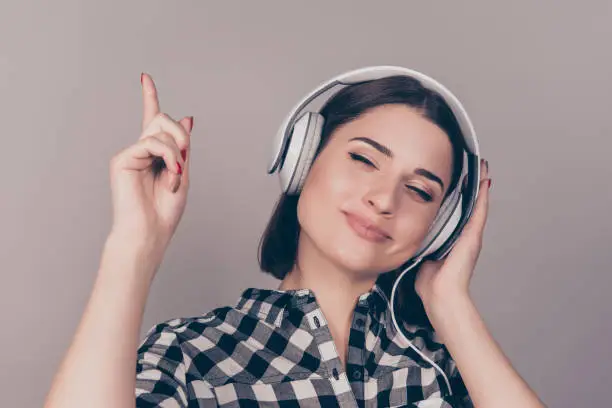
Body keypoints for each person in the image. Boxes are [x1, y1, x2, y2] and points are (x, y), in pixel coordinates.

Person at [44, 68, 546, 408]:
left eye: (419, 190)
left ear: (439, 225)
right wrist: (134, 246)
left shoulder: (451, 369)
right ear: (302, 160)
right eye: (364, 159)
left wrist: (450, 303)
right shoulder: (192, 355)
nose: (384, 199)